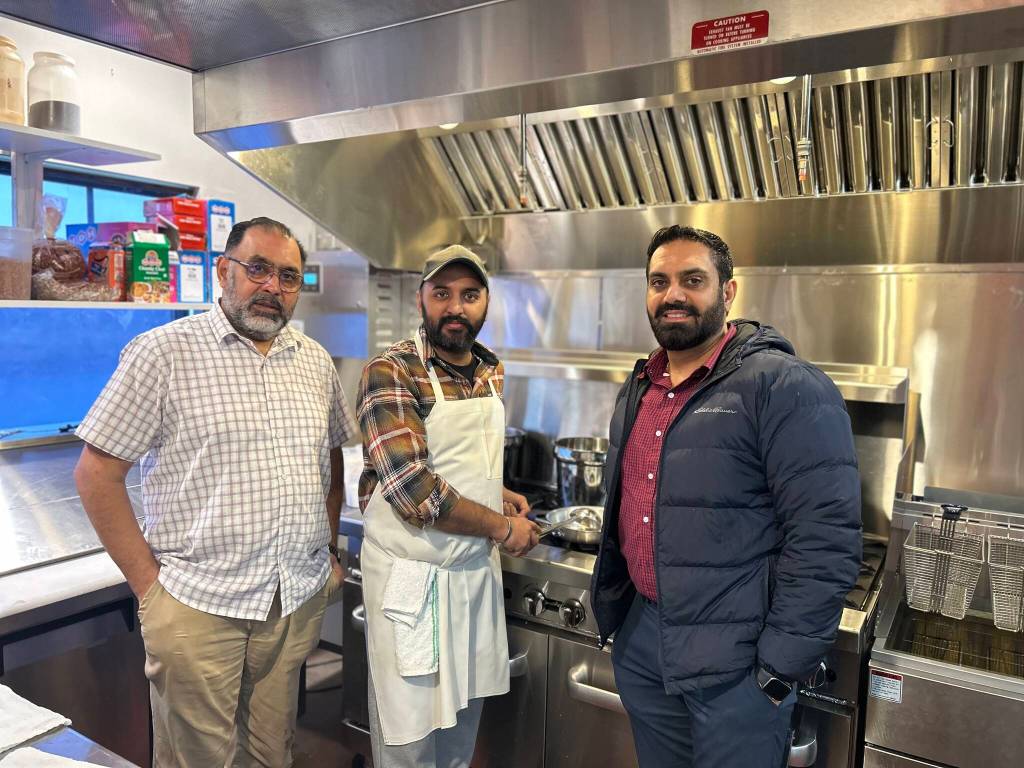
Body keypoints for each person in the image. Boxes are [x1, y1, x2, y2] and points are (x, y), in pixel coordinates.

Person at [74, 217, 356, 768]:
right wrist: (151, 590)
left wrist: (326, 551)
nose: (273, 286)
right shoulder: (163, 353)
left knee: (272, 754)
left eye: (289, 276)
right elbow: (96, 474)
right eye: (258, 269)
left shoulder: (315, 361)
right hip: (198, 607)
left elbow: (331, 456)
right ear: (224, 271)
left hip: (290, 602)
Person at [591, 225, 862, 768]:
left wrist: (777, 668)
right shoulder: (640, 386)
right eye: (659, 282)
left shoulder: (784, 386)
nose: (673, 295)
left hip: (736, 666)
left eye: (693, 280)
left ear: (728, 291)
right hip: (645, 643)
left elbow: (826, 538)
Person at [357, 244, 539, 767]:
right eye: (442, 293)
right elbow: (414, 490)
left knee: (460, 741)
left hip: (471, 579)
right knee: (409, 745)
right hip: (413, 584)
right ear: (421, 299)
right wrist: (501, 528)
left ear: (486, 302)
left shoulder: (489, 369)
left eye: (470, 294)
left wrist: (492, 490)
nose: (456, 307)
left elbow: (452, 462)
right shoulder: (391, 370)